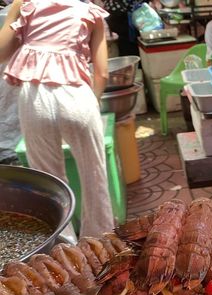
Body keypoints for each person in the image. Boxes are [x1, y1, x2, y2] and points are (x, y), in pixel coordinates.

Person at [0, 0, 114, 240]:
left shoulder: (26, 7)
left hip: (35, 98)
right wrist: (92, 101)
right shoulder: (91, 12)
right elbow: (102, 72)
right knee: (95, 177)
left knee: (50, 183)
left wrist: (14, 13)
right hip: (78, 96)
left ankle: (64, 247)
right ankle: (101, 243)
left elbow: (1, 53)